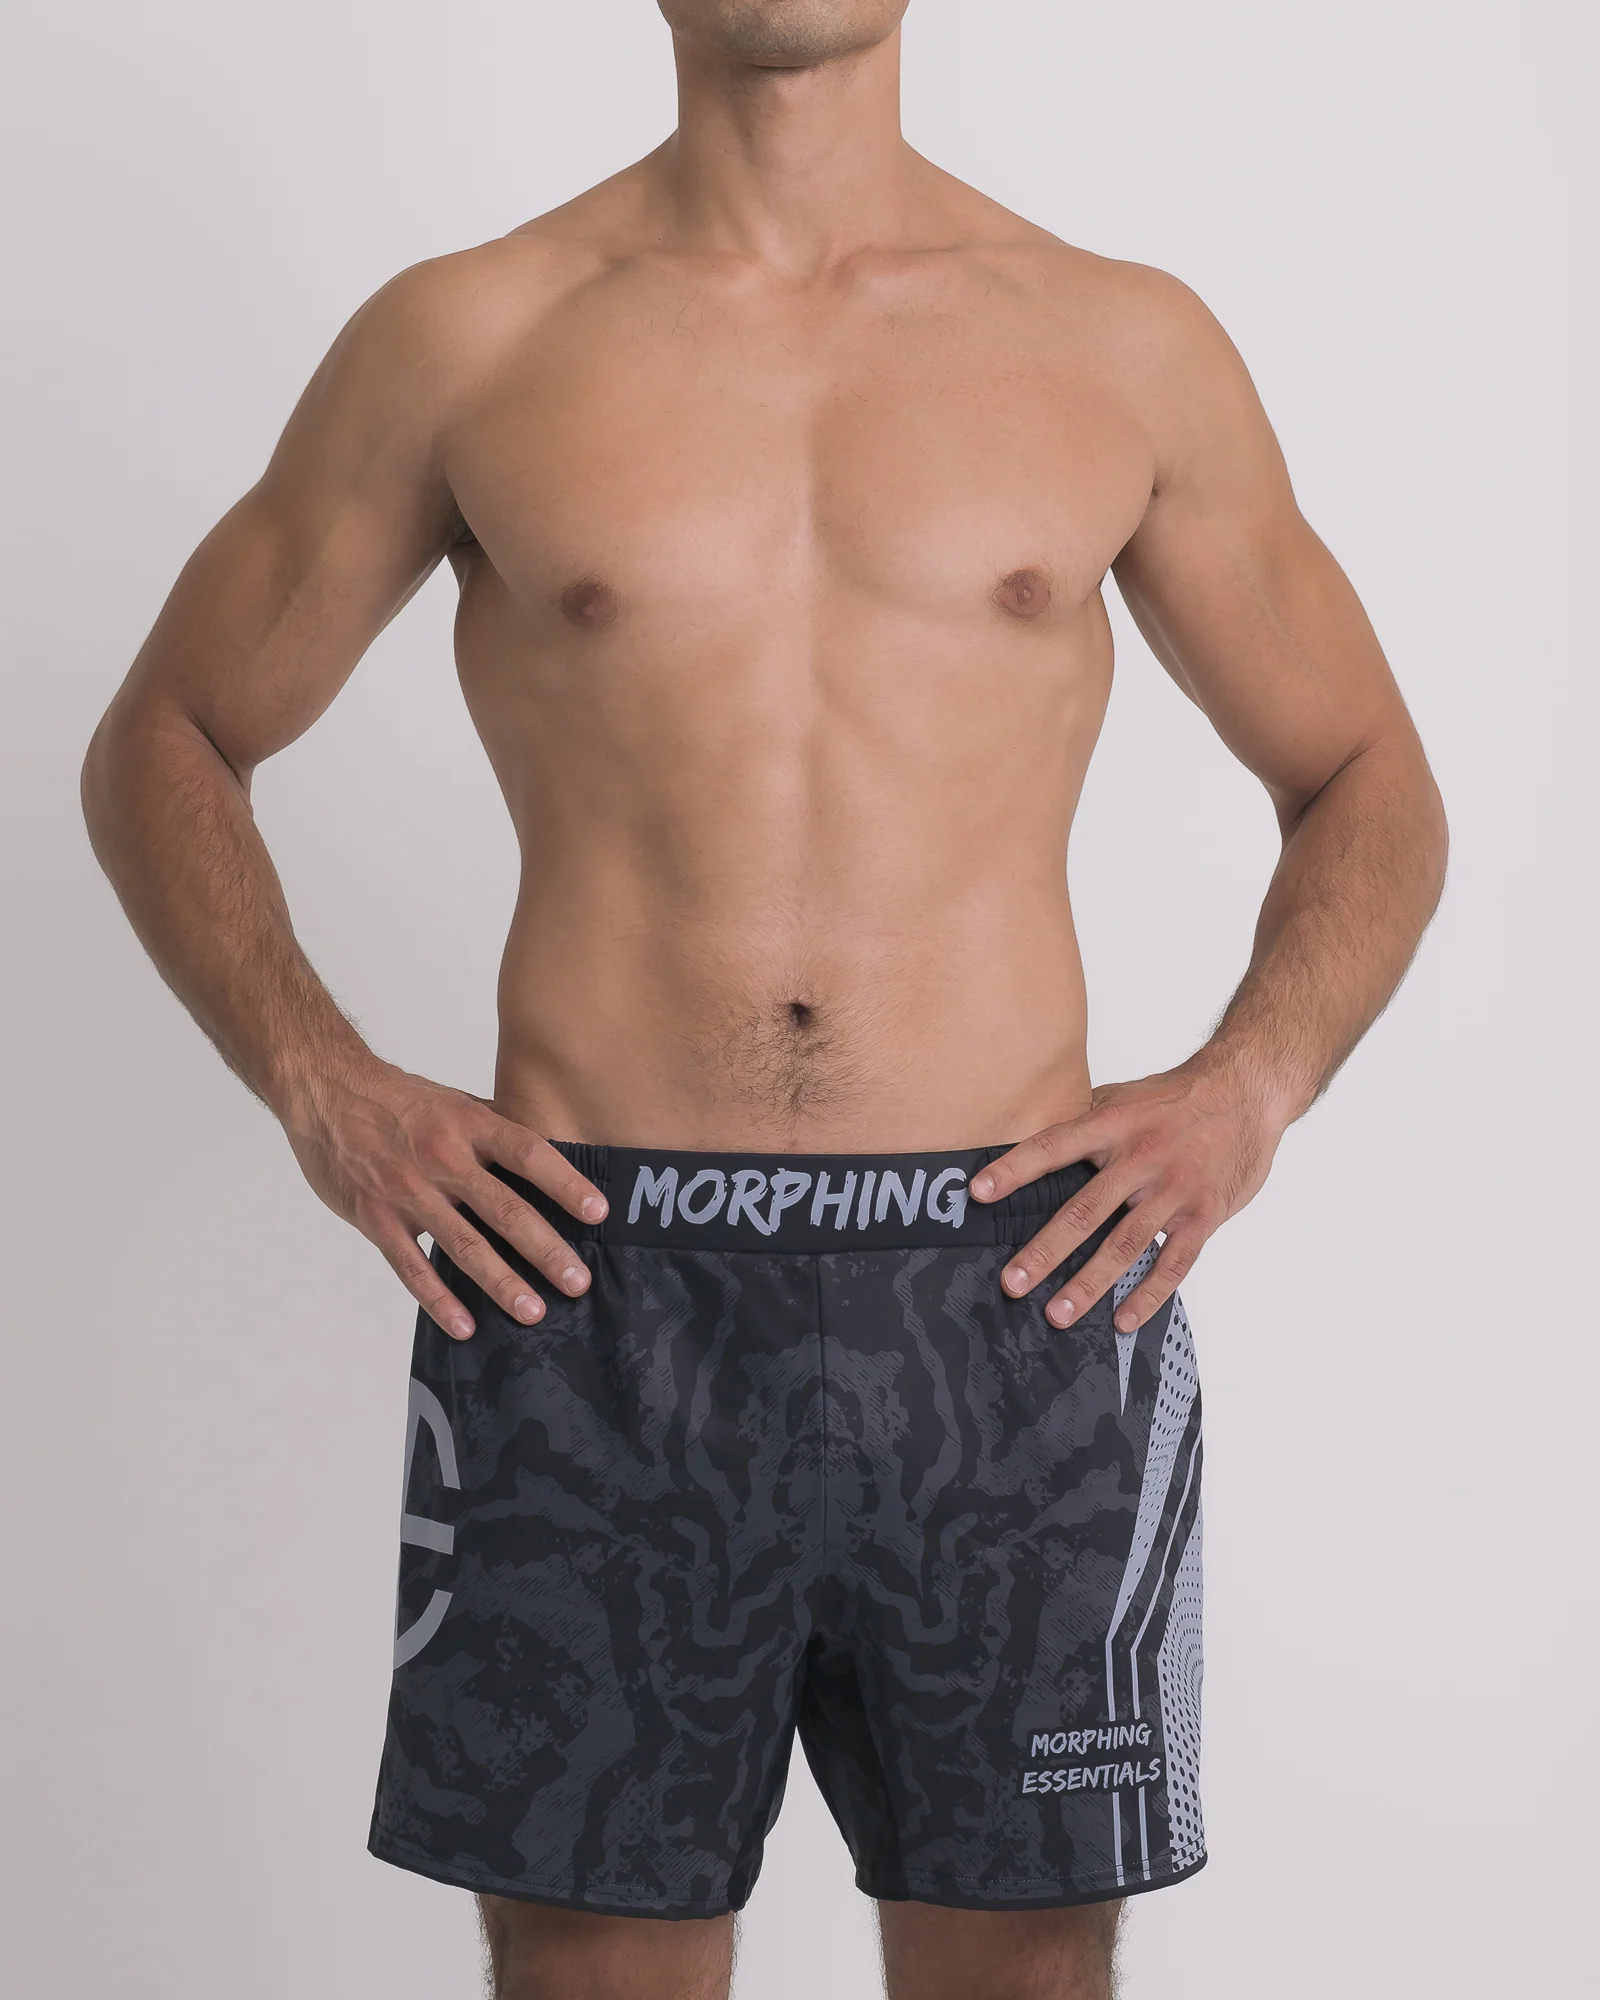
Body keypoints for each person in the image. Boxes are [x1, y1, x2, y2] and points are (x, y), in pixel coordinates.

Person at [80, 3, 1447, 1994]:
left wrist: (1248, 1088)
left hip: (1016, 1287)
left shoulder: (1120, 345)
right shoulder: (471, 335)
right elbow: (168, 737)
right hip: (589, 1295)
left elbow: (1367, 776)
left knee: (1023, 1975)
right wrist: (319, 1080)